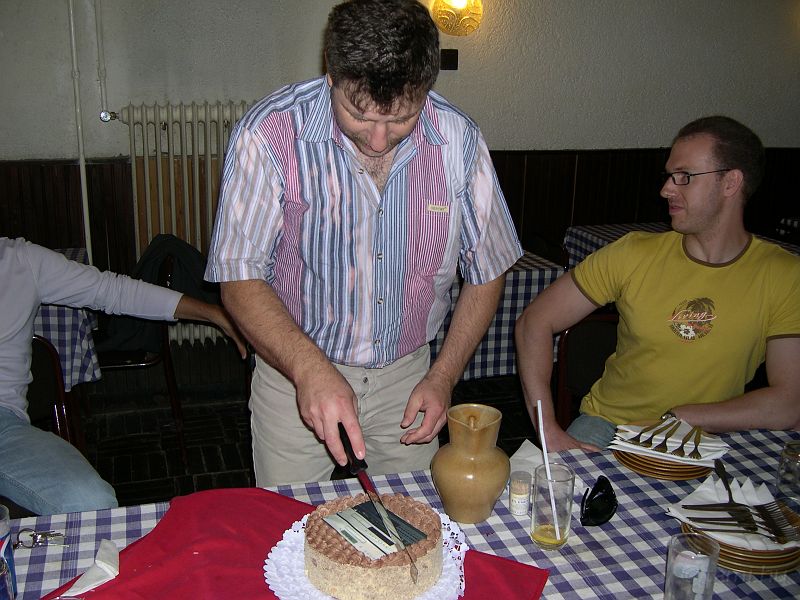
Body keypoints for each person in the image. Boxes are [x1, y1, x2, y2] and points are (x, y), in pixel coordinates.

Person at [206, 0, 522, 486]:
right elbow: (238, 276)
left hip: (409, 380)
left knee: (412, 520)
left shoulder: (459, 141)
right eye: (358, 115)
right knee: (290, 520)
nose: (378, 140)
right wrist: (309, 370)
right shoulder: (268, 133)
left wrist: (443, 376)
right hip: (294, 370)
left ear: (426, 89)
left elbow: (487, 270)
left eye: (401, 119)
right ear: (331, 73)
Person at [516, 116, 800, 452]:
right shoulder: (633, 252)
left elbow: (788, 402)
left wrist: (685, 416)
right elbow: (534, 321)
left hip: (710, 437)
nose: (666, 189)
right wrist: (548, 430)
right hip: (610, 427)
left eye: (684, 176)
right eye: (668, 176)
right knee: (560, 483)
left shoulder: (783, 274)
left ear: (730, 182)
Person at [0, 236, 246, 515]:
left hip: (6, 426)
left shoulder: (19, 260)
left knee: (91, 501)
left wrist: (214, 314)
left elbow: (114, 291)